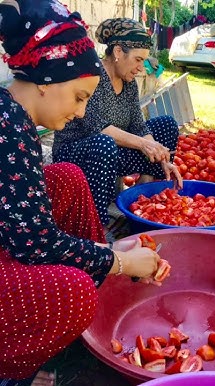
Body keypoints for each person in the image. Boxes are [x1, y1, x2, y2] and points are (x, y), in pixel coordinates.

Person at [0, 2, 162, 385]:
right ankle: (14, 370)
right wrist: (117, 260)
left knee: (68, 178)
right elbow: (35, 244)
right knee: (74, 294)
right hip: (17, 248)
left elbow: (28, 225)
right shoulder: (8, 131)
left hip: (14, 239)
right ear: (46, 80)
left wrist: (107, 254)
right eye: (78, 97)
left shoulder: (14, 117)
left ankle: (97, 273)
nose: (80, 111)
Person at [52, 18, 183, 229]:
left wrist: (159, 152)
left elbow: (139, 126)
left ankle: (142, 201)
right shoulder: (92, 77)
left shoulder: (128, 82)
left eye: (144, 61)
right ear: (119, 52)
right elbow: (96, 127)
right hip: (79, 154)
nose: (141, 68)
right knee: (105, 143)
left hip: (111, 152)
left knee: (166, 125)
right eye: (138, 60)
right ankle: (96, 226)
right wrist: (144, 145)